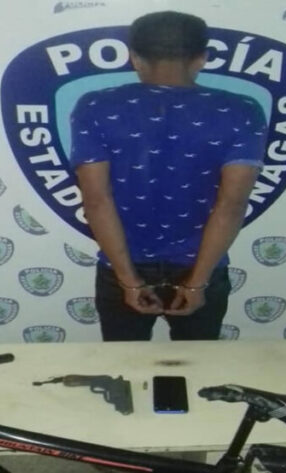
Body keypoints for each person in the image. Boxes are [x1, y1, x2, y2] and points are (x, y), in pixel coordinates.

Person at [69, 11, 267, 341]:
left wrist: (129, 281)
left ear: (135, 58)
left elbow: (97, 201)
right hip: (202, 265)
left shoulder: (95, 106)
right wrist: (197, 283)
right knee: (197, 365)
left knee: (124, 365)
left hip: (121, 265)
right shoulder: (242, 111)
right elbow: (231, 205)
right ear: (202, 58)